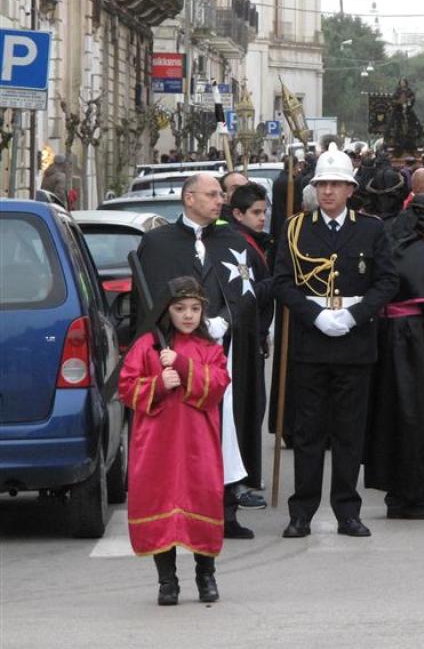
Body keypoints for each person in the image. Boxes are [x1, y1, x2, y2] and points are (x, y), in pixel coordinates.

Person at [272, 144, 397, 539]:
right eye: (322, 184)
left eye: (336, 184)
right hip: (310, 341)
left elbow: (387, 281)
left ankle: (347, 511)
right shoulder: (295, 228)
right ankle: (301, 512)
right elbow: (282, 282)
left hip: (355, 342)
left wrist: (355, 315)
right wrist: (316, 315)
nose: (327, 191)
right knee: (308, 432)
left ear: (350, 189)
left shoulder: (371, 229)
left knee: (349, 432)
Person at [134, 172, 258, 539]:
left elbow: (248, 290)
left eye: (221, 194)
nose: (221, 200)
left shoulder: (232, 240)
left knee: (226, 428)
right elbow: (148, 302)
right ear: (189, 199)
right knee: (184, 438)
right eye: (213, 194)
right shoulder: (158, 243)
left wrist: (225, 320)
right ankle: (180, 510)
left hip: (223, 350)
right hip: (175, 354)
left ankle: (226, 510)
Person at [118, 277, 230, 605]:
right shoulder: (146, 346)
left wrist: (181, 365)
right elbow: (126, 387)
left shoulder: (209, 348)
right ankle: (167, 581)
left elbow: (218, 384)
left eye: (195, 308)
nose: (188, 315)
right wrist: (157, 384)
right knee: (160, 503)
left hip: (198, 444)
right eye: (180, 308)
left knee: (202, 499)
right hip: (157, 444)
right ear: (167, 310)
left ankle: (206, 575)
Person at [365, 194, 424, 520]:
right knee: (416, 416)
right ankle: (412, 496)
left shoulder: (393, 242)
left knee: (396, 415)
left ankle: (412, 493)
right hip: (413, 341)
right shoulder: (418, 252)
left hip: (390, 337)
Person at [223, 182, 274, 496]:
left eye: (264, 212)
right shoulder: (238, 244)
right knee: (244, 409)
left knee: (255, 407)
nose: (262, 218)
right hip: (241, 341)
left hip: (255, 335)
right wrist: (276, 283)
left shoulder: (253, 241)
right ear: (238, 214)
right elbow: (248, 291)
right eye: (256, 212)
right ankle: (238, 480)